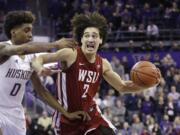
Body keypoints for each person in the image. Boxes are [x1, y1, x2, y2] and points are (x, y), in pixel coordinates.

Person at [32, 12, 160, 135]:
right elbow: (39, 59)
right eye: (86, 35)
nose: (90, 39)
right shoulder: (70, 54)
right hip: (66, 118)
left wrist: (149, 84)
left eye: (94, 36)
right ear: (81, 39)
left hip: (91, 115)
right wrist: (39, 68)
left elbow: (122, 86)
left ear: (101, 40)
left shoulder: (103, 64)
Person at [0, 10, 90, 135]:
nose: (30, 35)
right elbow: (22, 49)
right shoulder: (3, 48)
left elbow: (42, 91)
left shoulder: (30, 57)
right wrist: (54, 44)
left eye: (31, 31)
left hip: (15, 113)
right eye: (26, 30)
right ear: (13, 32)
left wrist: (66, 113)